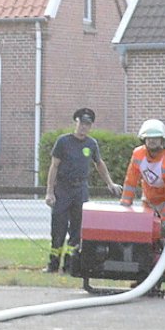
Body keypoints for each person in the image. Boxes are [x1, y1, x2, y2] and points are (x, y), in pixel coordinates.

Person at [44, 108, 120, 274]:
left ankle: (71, 265)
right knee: (58, 228)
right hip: (63, 189)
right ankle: (53, 264)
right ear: (75, 122)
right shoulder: (63, 141)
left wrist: (110, 183)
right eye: (81, 123)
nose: (84, 127)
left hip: (80, 190)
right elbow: (54, 166)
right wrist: (50, 192)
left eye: (87, 124)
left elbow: (99, 164)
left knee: (77, 230)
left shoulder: (91, 144)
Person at [119, 119, 165, 297]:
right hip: (150, 205)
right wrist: (124, 208)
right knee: (146, 243)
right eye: (148, 138)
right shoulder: (138, 155)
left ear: (162, 140)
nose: (151, 142)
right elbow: (130, 182)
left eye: (155, 138)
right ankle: (146, 280)